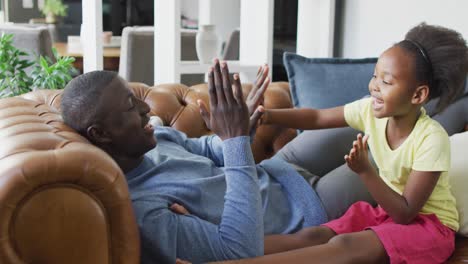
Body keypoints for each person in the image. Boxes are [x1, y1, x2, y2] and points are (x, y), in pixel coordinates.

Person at [60, 59, 373, 263]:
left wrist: (240, 127)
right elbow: (237, 252)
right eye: (130, 105)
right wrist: (235, 140)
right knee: (396, 153)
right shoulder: (145, 212)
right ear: (100, 134)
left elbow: (212, 150)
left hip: (280, 168)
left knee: (372, 113)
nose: (147, 109)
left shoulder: (156, 140)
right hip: (309, 207)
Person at [219, 23, 468, 264]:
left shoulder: (432, 139)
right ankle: (214, 249)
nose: (374, 87)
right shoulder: (370, 111)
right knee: (314, 236)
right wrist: (266, 115)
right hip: (386, 212)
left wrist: (365, 171)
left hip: (429, 228)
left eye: (387, 82)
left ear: (418, 95)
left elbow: (405, 213)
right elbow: (317, 117)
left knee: (346, 247)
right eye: (375, 76)